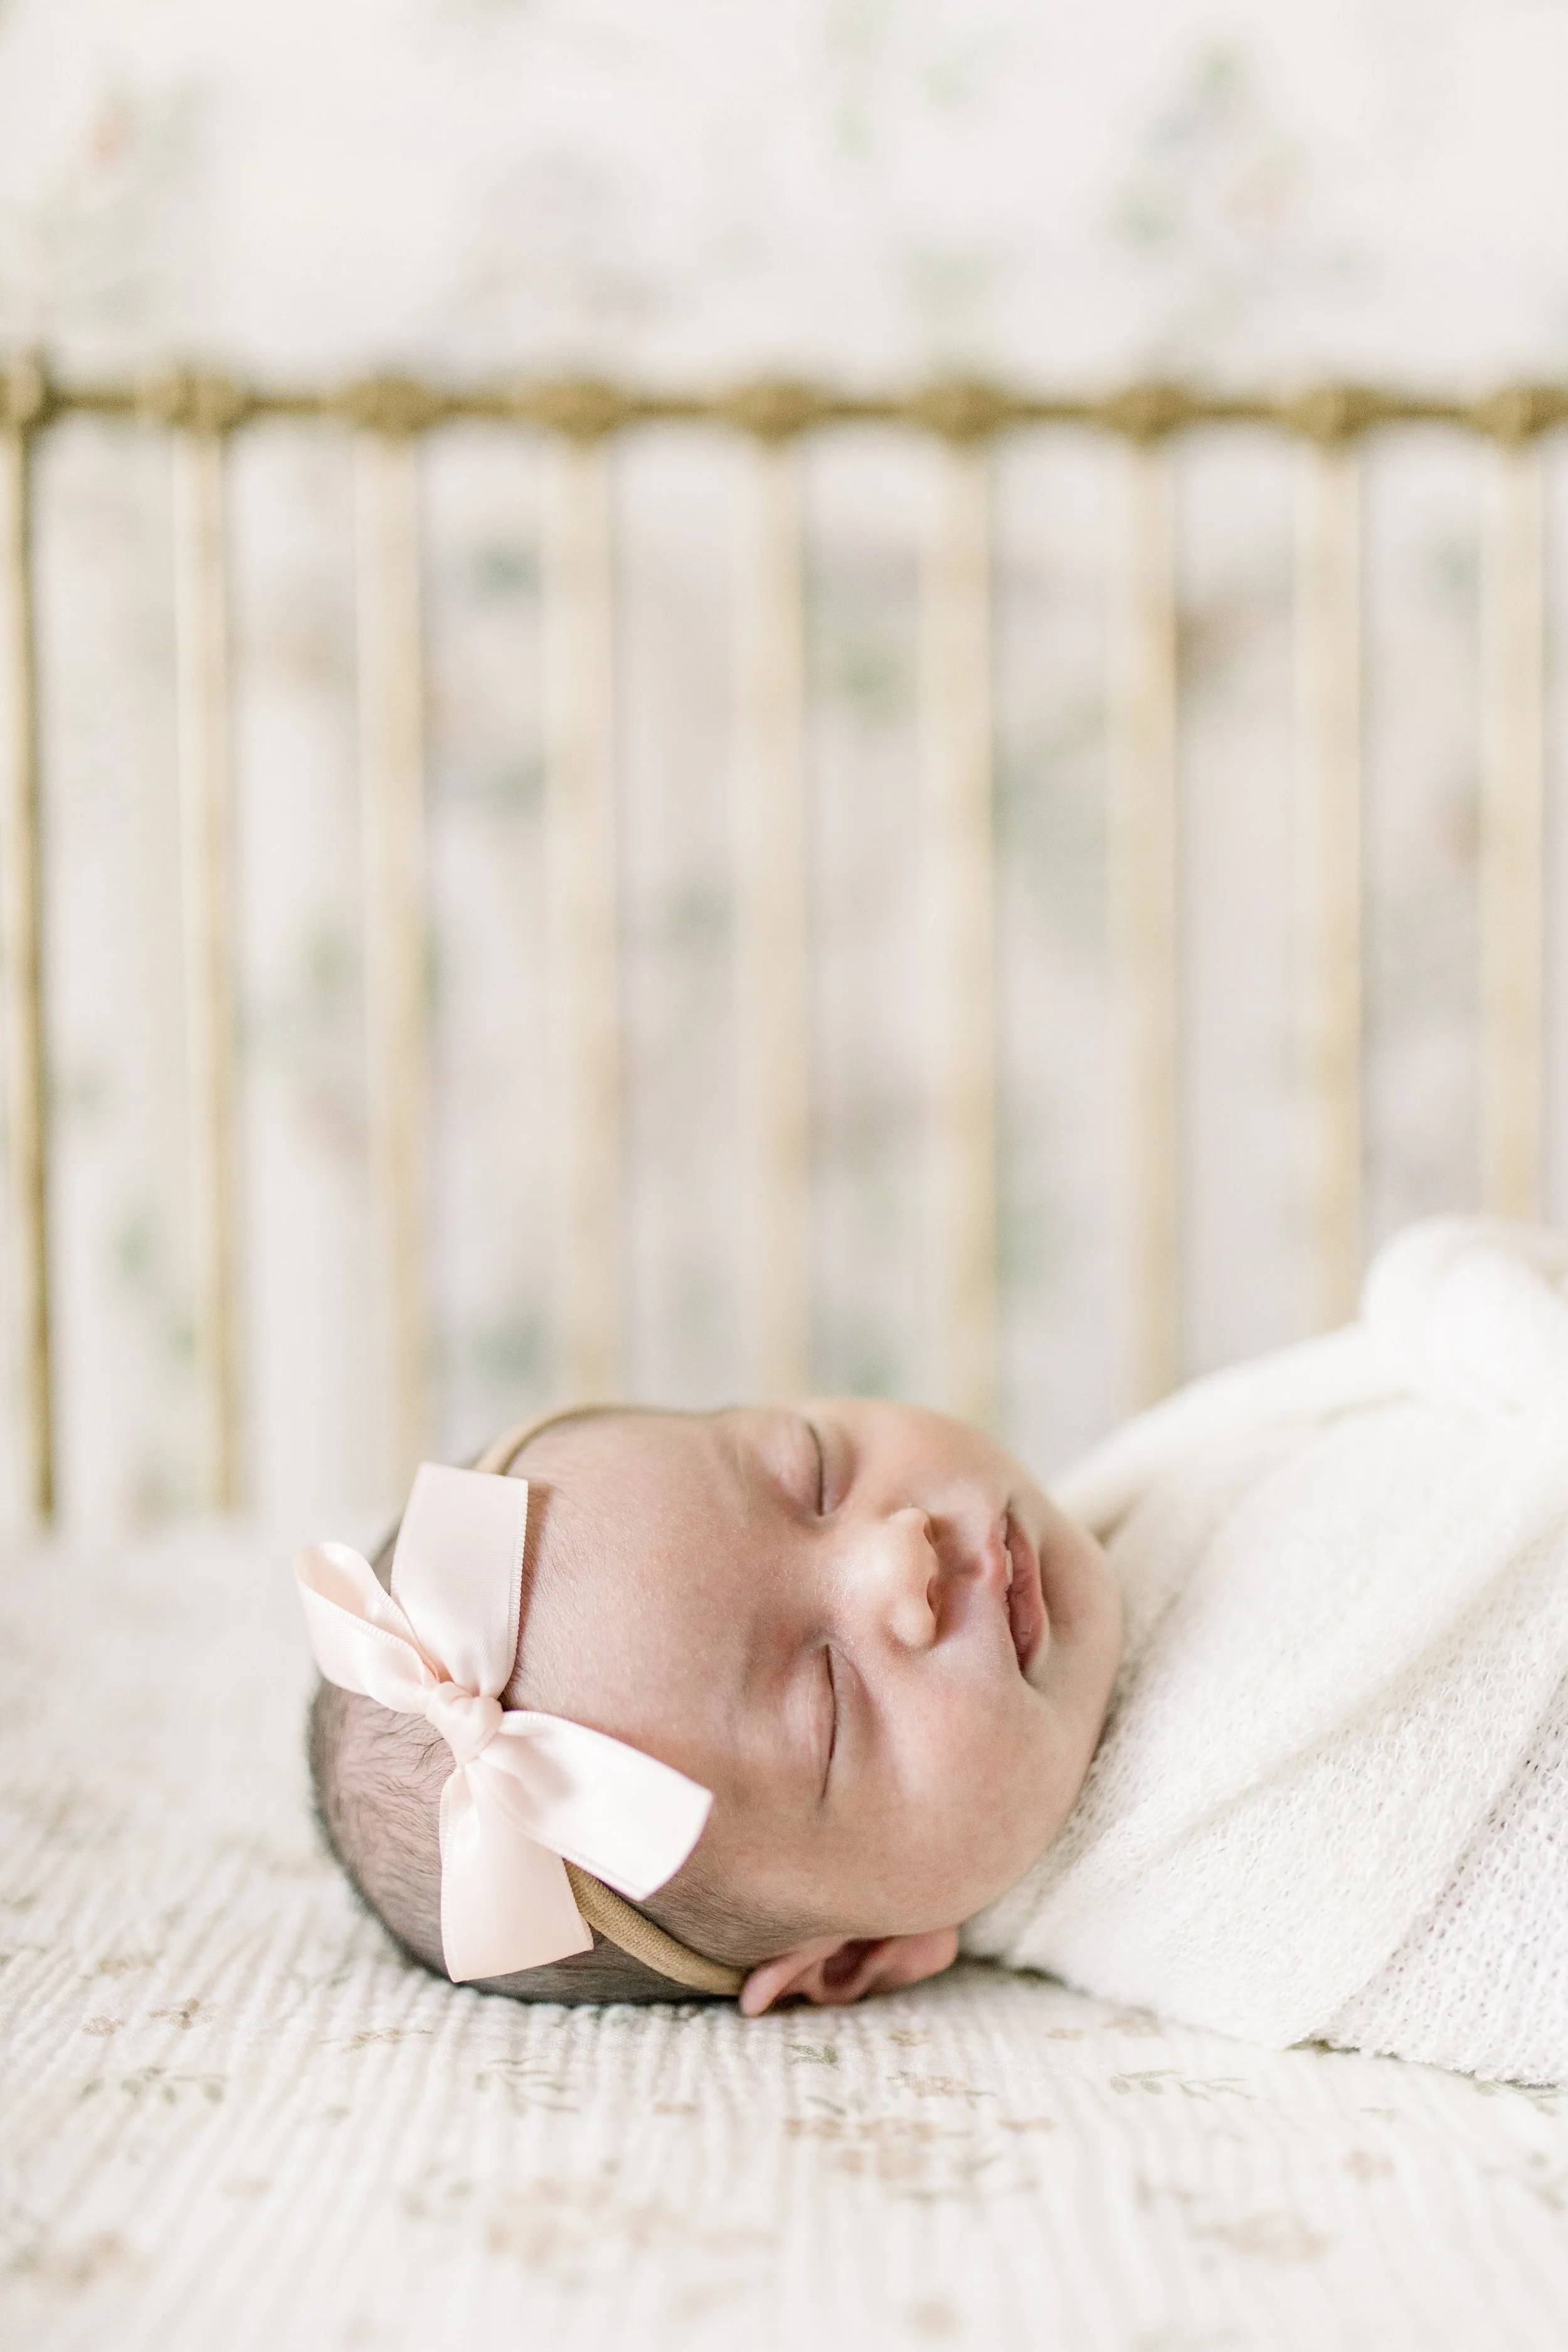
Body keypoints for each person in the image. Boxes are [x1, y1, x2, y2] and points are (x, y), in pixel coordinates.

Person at [302, 1217, 1568, 2083]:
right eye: (832, 1698)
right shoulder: (1261, 1879)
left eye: (810, 1471)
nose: (894, 1558)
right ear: (853, 1960)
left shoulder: (1127, 1513)